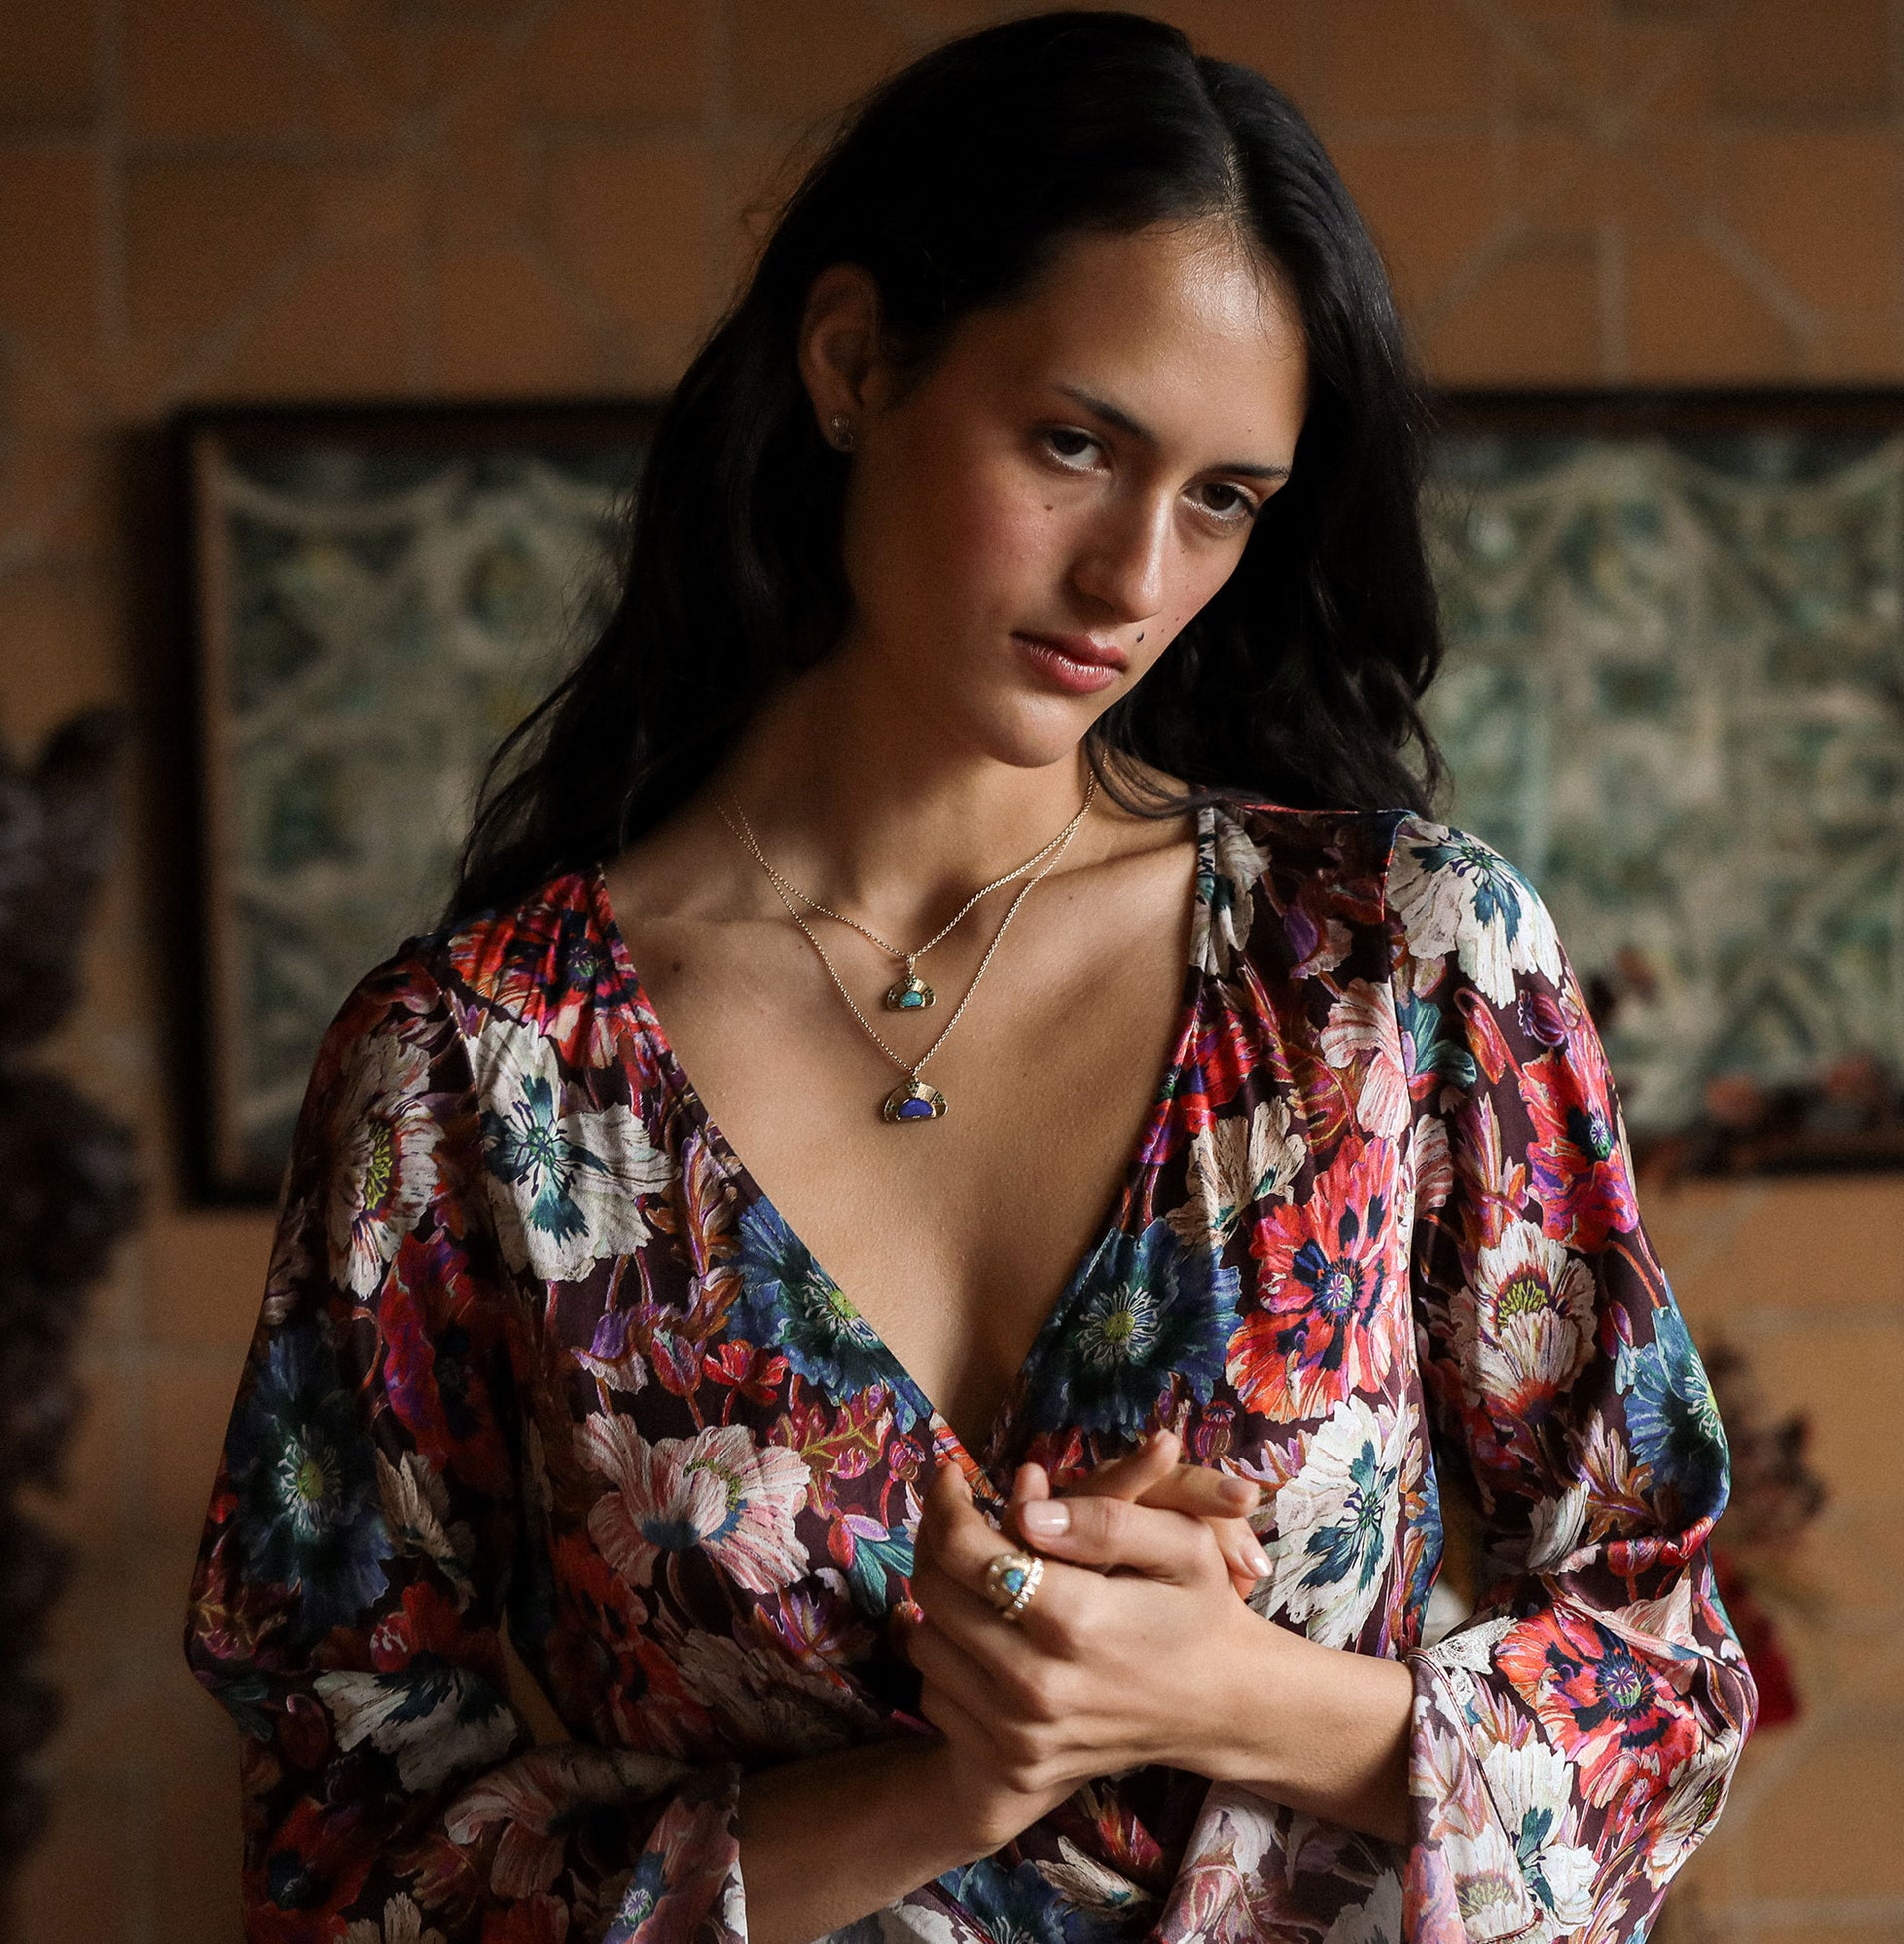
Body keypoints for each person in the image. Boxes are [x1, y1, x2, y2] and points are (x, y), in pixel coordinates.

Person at [183, 12, 1754, 1942]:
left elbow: (1662, 1688)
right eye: (1074, 442)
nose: (1131, 581)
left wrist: (1228, 1691)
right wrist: (935, 1788)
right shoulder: (468, 1080)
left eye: (1221, 499)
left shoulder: (1392, 973)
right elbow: (342, 1841)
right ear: (851, 362)